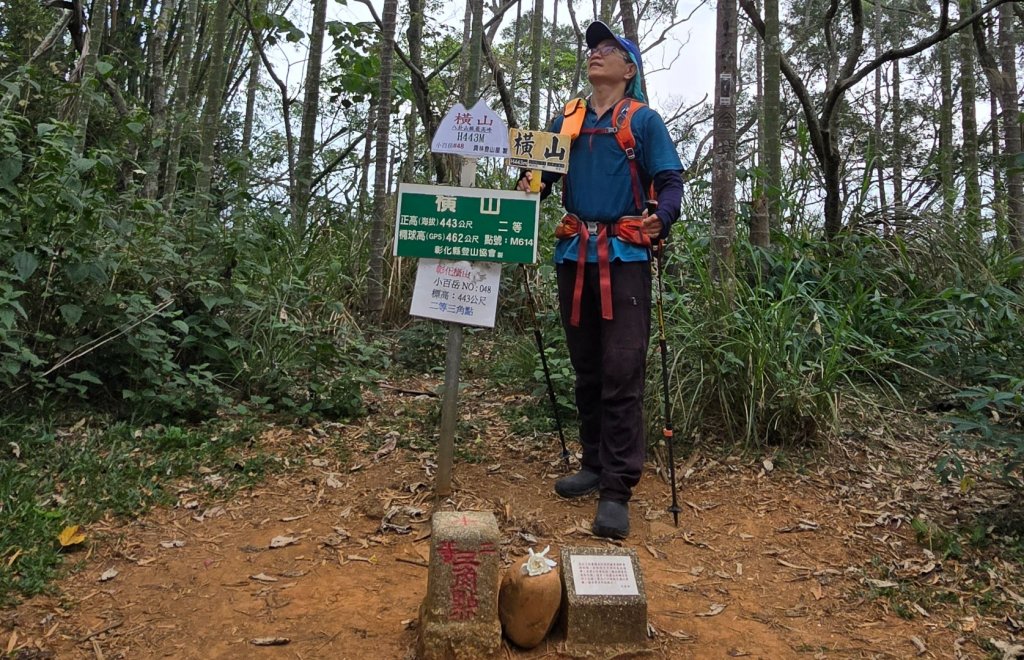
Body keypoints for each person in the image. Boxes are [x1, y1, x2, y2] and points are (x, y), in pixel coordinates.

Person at [517, 20, 684, 539]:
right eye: (592, 49)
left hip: (624, 259)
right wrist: (523, 182)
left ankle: (616, 488)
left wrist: (665, 215)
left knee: (621, 369)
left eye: (609, 50)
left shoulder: (645, 121)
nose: (596, 55)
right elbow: (537, 183)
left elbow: (669, 180)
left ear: (628, 69)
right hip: (573, 254)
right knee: (587, 366)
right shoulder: (566, 119)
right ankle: (592, 464)